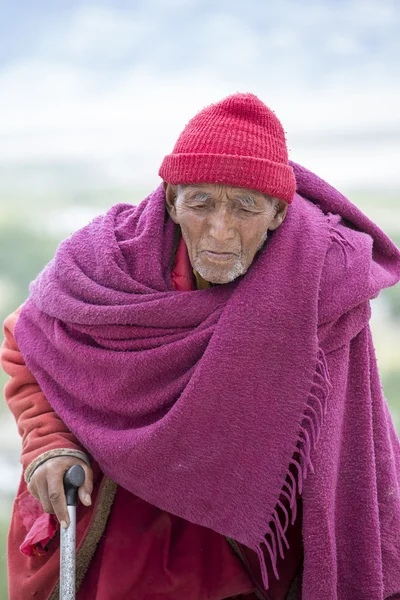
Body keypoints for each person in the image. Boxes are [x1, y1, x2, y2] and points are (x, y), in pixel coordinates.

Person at [1, 92, 400, 600]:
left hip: (249, 555)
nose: (220, 230)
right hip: (129, 548)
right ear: (171, 201)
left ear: (278, 213)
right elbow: (26, 342)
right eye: (200, 204)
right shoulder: (106, 266)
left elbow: (347, 432)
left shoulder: (323, 286)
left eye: (245, 209)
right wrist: (47, 443)